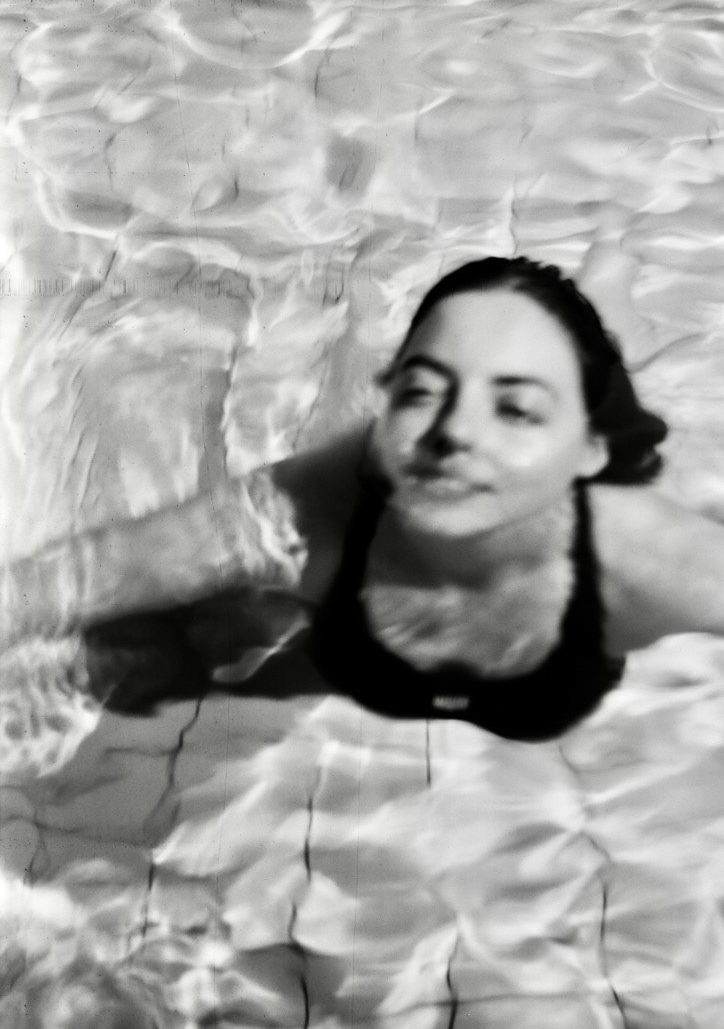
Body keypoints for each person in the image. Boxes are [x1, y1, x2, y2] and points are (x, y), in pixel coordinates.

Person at [8, 256, 724, 738]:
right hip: (355, 627)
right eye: (421, 392)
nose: (454, 432)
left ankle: (607, 268)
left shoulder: (654, 563)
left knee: (602, 341)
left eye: (515, 410)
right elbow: (56, 586)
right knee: (171, 650)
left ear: (588, 451)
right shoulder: (309, 512)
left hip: (516, 610)